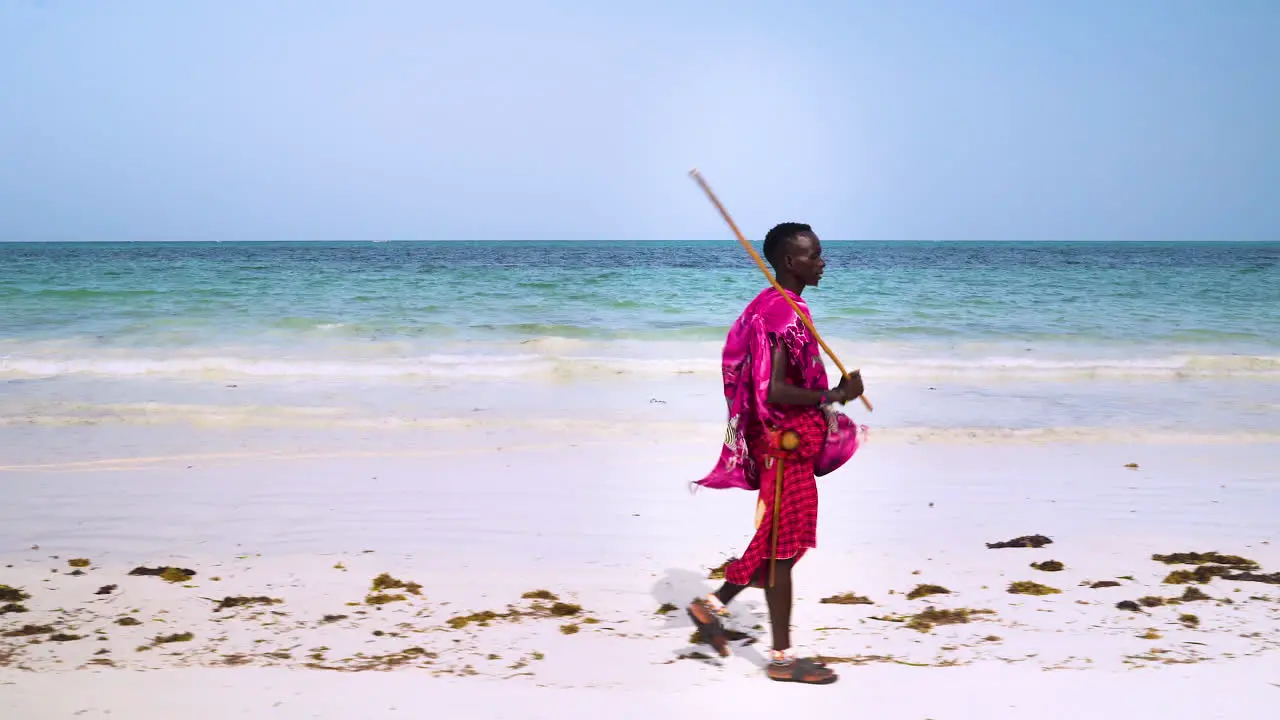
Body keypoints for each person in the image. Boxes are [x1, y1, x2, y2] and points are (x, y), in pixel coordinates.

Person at [686, 222, 865, 685]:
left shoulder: (786, 308)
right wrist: (836, 396)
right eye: (814, 254)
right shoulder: (780, 314)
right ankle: (781, 660)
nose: (823, 261)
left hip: (791, 446)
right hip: (783, 446)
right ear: (790, 262)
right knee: (781, 551)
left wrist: (833, 394)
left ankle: (708, 609)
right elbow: (775, 388)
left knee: (776, 541)